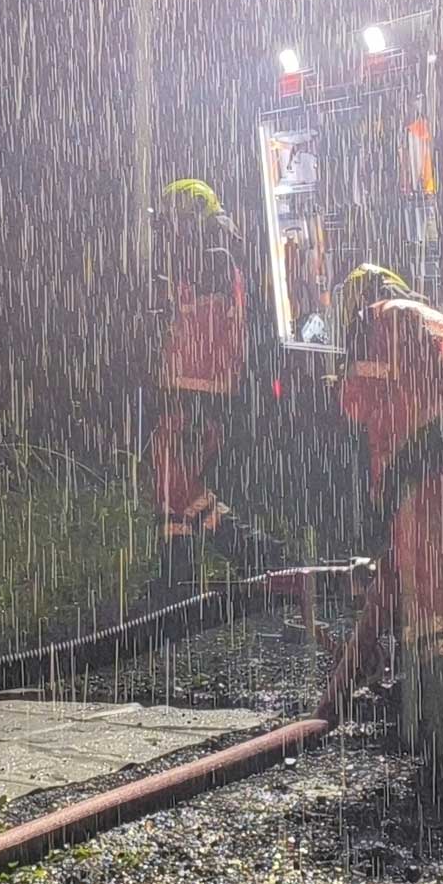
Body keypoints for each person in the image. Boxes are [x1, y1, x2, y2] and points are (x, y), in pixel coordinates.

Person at [328, 264, 443, 807]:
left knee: (431, 605)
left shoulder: (373, 321)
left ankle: (441, 748)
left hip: (431, 449)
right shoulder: (433, 319)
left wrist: (385, 504)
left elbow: (364, 410)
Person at [148, 179, 272, 584]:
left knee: (177, 482)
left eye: (171, 222)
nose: (168, 231)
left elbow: (185, 318)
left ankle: (253, 551)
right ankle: (177, 576)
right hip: (198, 385)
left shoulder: (210, 257)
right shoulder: (221, 253)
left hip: (195, 387)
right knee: (169, 483)